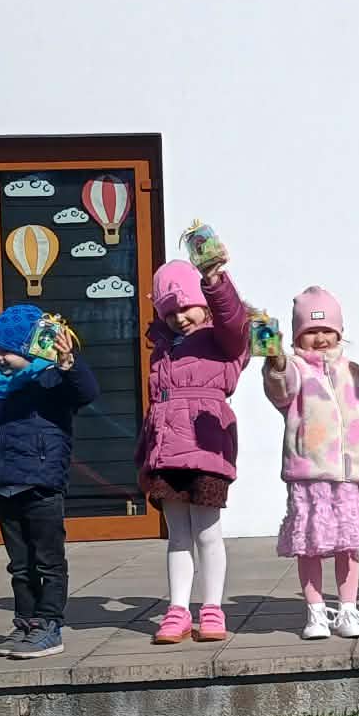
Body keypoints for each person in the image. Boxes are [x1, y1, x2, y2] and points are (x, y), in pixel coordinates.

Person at [265, 287, 359, 640]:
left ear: (339, 332)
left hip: (349, 477)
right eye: (311, 331)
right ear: (297, 336)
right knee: (310, 545)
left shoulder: (356, 373)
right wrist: (275, 362)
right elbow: (280, 389)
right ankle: (316, 612)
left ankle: (348, 609)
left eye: (327, 330)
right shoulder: (294, 370)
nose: (320, 338)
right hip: (310, 476)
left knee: (348, 546)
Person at [136, 257, 250, 643]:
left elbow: (233, 318)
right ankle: (178, 610)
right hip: (167, 448)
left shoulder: (223, 338)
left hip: (206, 445)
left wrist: (215, 280)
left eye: (185, 307)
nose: (179, 318)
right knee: (178, 535)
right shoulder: (162, 347)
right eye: (169, 312)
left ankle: (212, 608)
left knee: (207, 531)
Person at [0, 304, 100, 658]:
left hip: (41, 482)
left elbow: (86, 391)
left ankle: (49, 625)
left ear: (27, 349)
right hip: (3, 484)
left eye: (4, 350)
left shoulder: (51, 379)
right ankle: (26, 623)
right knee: (20, 564)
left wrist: (69, 363)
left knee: (48, 560)